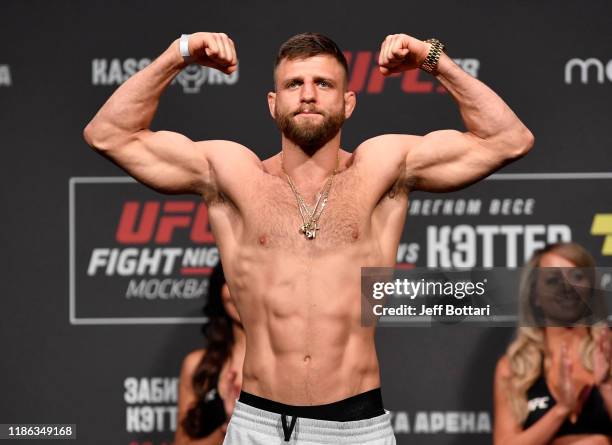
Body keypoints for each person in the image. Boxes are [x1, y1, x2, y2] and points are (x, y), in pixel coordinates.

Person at [83, 31, 534, 444]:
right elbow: (109, 134)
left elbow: (508, 139)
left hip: (356, 426)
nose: (309, 94)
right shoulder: (234, 175)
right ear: (272, 103)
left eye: (323, 83)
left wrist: (432, 59)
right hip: (257, 423)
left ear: (349, 102)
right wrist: (179, 54)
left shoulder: (381, 169)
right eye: (295, 84)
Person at [494, 242, 612, 445]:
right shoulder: (515, 367)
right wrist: (561, 410)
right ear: (535, 296)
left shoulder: (608, 351)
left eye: (576, 276)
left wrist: (607, 386)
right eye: (553, 280)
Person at [175, 262, 245, 445]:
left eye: (248, 285)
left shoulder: (289, 367)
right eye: (231, 284)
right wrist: (226, 425)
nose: (240, 294)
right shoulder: (198, 366)